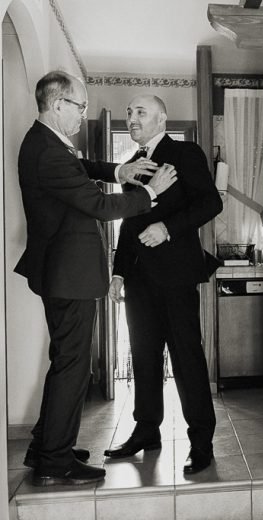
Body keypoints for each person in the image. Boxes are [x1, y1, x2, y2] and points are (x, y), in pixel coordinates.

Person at [15, 70, 177, 486]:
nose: (82, 114)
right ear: (58, 105)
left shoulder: (46, 142)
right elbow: (100, 207)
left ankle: (45, 446)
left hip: (61, 274)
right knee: (72, 368)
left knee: (65, 362)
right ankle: (55, 462)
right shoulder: (48, 151)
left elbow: (82, 167)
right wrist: (150, 192)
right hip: (69, 276)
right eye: (80, 106)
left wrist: (120, 171)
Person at [103, 94, 223, 475]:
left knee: (187, 359)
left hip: (176, 277)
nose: (132, 118)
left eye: (140, 112)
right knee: (143, 357)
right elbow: (128, 223)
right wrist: (119, 272)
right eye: (129, 112)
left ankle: (201, 442)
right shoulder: (130, 166)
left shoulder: (185, 153)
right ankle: (146, 431)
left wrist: (167, 228)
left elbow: (211, 203)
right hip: (139, 280)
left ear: (162, 118)